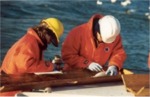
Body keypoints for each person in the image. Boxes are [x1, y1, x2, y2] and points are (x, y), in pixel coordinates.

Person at [61, 14, 127, 76]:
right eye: (103, 39)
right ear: (97, 32)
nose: (104, 42)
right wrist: (87, 63)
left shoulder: (113, 34)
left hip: (98, 75)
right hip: (73, 74)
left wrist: (114, 65)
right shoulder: (77, 33)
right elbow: (67, 55)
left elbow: (118, 53)